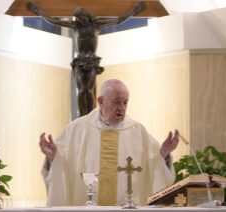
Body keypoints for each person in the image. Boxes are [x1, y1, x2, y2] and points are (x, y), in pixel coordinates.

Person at [40, 79, 180, 206]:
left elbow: (154, 166)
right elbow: (61, 169)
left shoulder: (138, 131)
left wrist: (164, 154)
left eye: (125, 103)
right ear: (101, 101)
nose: (122, 108)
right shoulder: (77, 129)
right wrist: (53, 157)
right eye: (116, 101)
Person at [26, 1, 146, 117]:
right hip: (79, 62)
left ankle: (90, 116)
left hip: (92, 62)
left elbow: (118, 20)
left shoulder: (96, 24)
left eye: (82, 17)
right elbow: (54, 21)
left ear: (87, 15)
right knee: (81, 91)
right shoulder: (76, 26)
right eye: (78, 18)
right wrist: (39, 11)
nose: (80, 19)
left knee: (88, 91)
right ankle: (81, 116)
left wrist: (134, 11)